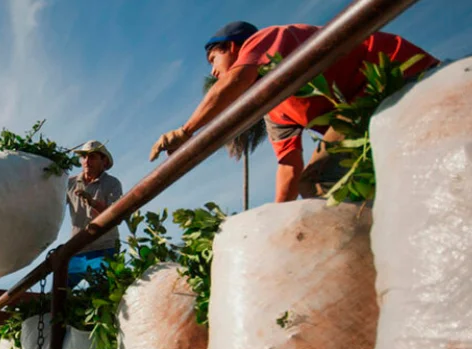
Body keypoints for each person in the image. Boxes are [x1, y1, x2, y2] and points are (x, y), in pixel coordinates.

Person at [149, 21, 439, 203]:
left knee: (320, 180)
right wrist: (276, 220)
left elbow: (235, 80)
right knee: (311, 181)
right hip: (362, 112)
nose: (213, 71)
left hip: (396, 74)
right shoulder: (274, 110)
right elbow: (289, 168)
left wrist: (186, 131)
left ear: (234, 47)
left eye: (214, 58)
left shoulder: (267, 40)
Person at [66, 140, 123, 289]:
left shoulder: (112, 183)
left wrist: (93, 202)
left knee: (103, 293)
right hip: (78, 249)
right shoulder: (70, 184)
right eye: (84, 157)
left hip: (104, 248)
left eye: (92, 157)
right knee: (61, 291)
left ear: (103, 161)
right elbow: (52, 204)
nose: (86, 161)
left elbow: (116, 216)